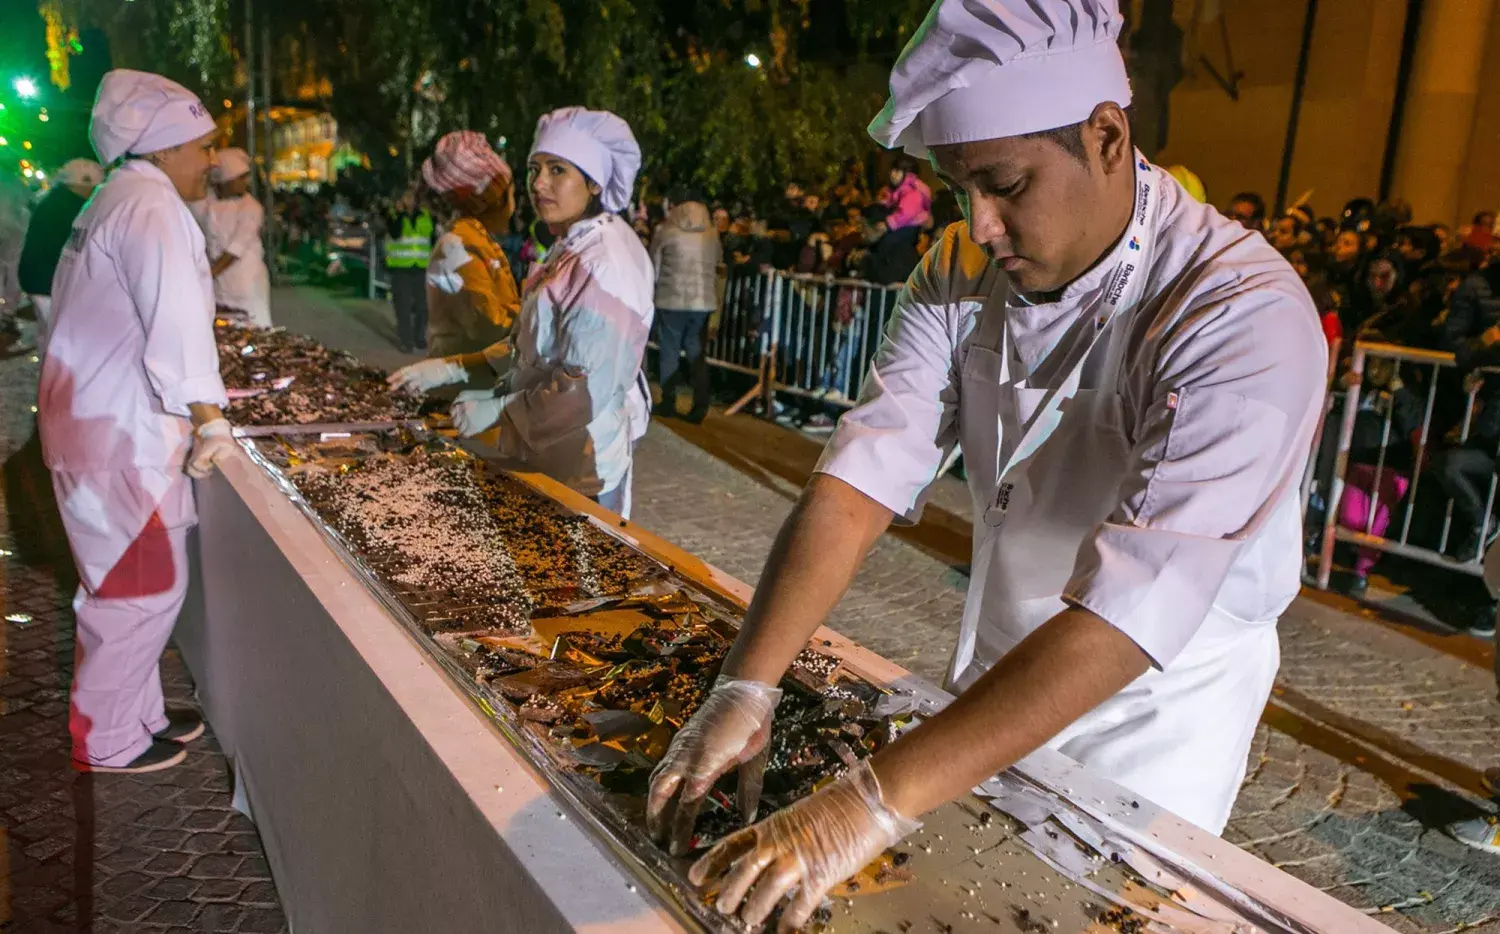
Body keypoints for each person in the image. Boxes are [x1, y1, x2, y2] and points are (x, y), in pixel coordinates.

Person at [647, 1, 1324, 928]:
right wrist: (748, 681)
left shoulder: (1241, 316)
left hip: (1152, 715)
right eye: (960, 186)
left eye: (1005, 183)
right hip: (1002, 674)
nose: (983, 224)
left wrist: (862, 805)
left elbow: (1130, 614)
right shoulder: (961, 267)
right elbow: (863, 474)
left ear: (1107, 136)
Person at [38, 69, 236, 774]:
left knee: (136, 578)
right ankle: (108, 738)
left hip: (98, 425)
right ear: (166, 146)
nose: (211, 159)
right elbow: (176, 324)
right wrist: (211, 418)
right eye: (203, 145)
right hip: (117, 431)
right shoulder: (150, 208)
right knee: (137, 588)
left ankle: (139, 715)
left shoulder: (116, 196)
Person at [388, 107, 654, 518]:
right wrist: (455, 368)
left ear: (594, 181)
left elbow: (584, 390)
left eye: (557, 170)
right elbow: (529, 347)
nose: (539, 184)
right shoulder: (571, 246)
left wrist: (500, 408)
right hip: (547, 452)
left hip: (582, 467)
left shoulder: (605, 264)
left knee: (571, 576)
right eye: (534, 169)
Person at [419, 131, 521, 360]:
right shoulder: (458, 248)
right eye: (510, 192)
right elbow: (488, 328)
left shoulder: (476, 241)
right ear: (492, 200)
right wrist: (536, 307)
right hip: (462, 384)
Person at [650, 195, 721, 423]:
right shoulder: (712, 236)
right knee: (696, 354)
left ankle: (668, 400)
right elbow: (719, 263)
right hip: (702, 302)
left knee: (669, 351)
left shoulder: (665, 232)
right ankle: (700, 404)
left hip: (671, 301)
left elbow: (654, 265)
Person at [19, 158, 104, 349]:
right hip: (47, 282)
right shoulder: (69, 208)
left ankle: (48, 369)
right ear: (81, 184)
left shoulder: (56, 199)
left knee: (48, 332)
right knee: (58, 337)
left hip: (38, 279)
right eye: (94, 187)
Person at [204, 147, 271, 328]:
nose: (245, 182)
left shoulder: (251, 207)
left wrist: (207, 274)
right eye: (239, 178)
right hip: (218, 285)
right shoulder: (207, 202)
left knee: (254, 330)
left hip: (246, 282)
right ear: (225, 181)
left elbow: (236, 247)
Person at [384, 185, 434, 353]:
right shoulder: (394, 216)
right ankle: (406, 340)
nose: (409, 200)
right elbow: (395, 233)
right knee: (403, 307)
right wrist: (399, 213)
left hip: (421, 267)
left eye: (411, 197)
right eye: (405, 197)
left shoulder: (426, 216)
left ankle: (419, 336)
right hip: (401, 268)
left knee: (423, 306)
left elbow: (432, 239)